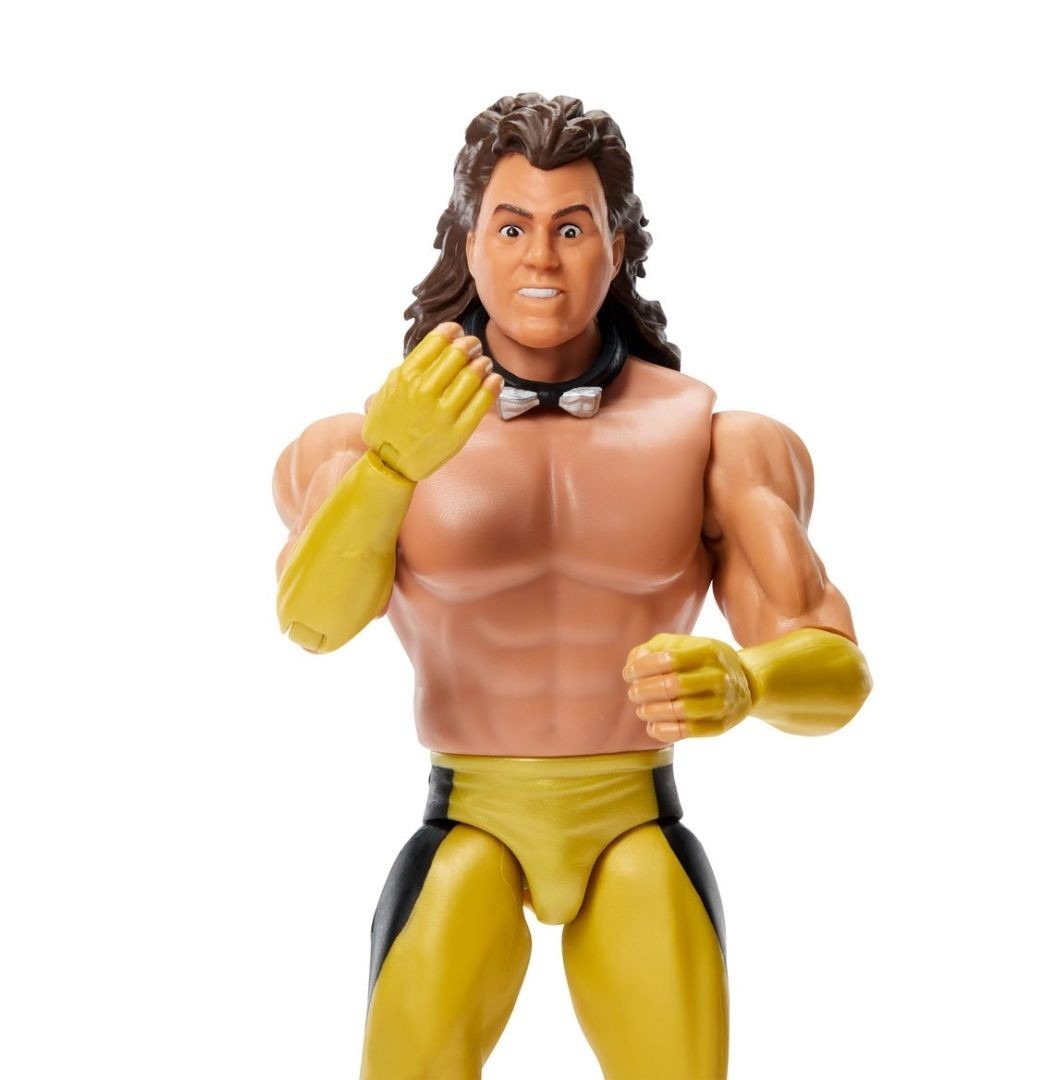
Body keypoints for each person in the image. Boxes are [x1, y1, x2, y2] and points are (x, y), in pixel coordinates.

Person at [273, 93, 871, 1080]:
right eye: (512, 228)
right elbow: (310, 622)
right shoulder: (364, 440)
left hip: (635, 821)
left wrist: (750, 680)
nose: (541, 260)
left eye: (571, 228)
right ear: (469, 243)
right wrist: (390, 469)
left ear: (616, 246)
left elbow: (841, 674)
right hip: (469, 821)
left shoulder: (714, 440)